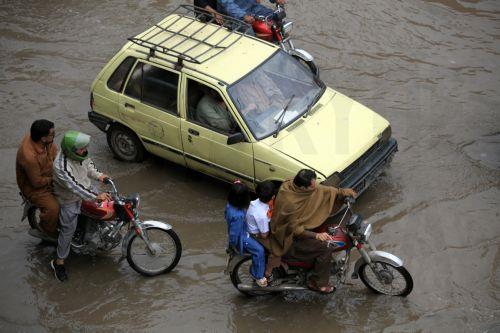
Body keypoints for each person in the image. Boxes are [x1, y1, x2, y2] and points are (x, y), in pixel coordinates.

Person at [269, 169, 357, 294]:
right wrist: (316, 235)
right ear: (304, 188)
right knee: (326, 248)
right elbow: (295, 229)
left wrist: (342, 193)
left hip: (301, 227)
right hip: (290, 238)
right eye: (312, 186)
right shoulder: (291, 202)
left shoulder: (292, 184)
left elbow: (322, 190)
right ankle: (317, 283)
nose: (315, 188)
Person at [51, 130, 111, 282]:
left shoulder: (82, 154)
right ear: (71, 150)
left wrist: (100, 176)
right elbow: (74, 186)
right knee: (68, 230)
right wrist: (95, 196)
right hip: (69, 198)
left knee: (103, 210)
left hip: (87, 189)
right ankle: (58, 262)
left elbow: (90, 167)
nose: (85, 150)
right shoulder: (61, 166)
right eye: (81, 148)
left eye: (85, 147)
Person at [16, 119, 59, 237]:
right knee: (54, 209)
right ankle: (47, 232)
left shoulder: (43, 140)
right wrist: (54, 179)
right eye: (52, 134)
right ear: (43, 138)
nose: (54, 136)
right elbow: (36, 182)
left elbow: (56, 154)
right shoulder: (29, 156)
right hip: (35, 187)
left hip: (50, 174)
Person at [225, 181, 268, 287]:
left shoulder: (230, 205)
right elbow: (234, 234)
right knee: (259, 250)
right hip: (243, 237)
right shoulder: (238, 216)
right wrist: (233, 245)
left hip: (244, 230)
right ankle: (258, 276)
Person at [217, 0, 286, 24]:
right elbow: (228, 4)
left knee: (277, 19)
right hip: (236, 15)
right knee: (249, 35)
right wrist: (243, 16)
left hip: (253, 6)